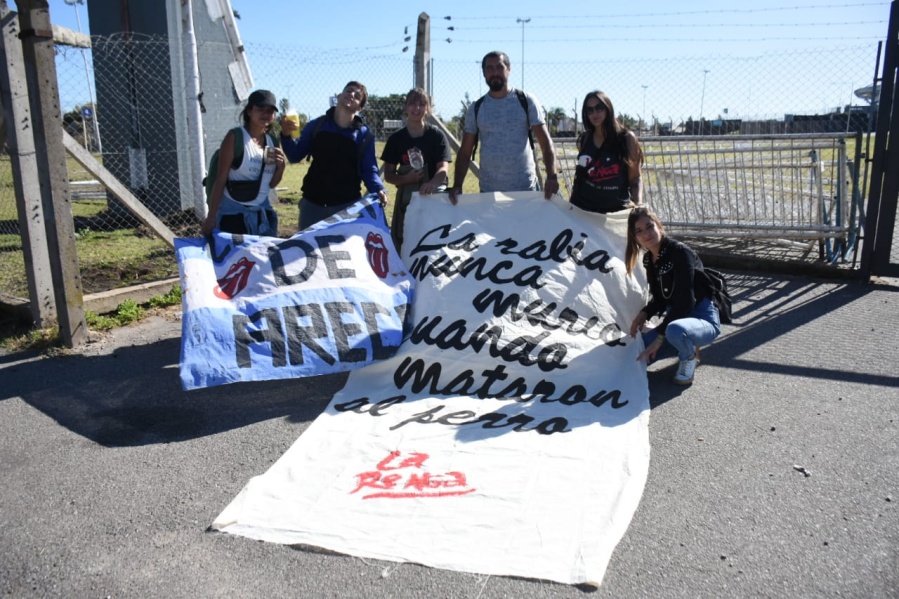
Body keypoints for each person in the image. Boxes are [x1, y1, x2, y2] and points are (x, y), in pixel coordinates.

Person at [626, 206, 721, 386]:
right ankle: (682, 342)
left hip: (701, 320)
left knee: (675, 330)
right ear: (635, 238)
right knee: (635, 357)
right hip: (674, 322)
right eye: (639, 231)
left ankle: (689, 357)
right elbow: (661, 298)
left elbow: (686, 302)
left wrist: (660, 338)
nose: (647, 233)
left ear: (659, 226)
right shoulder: (649, 260)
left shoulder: (680, 252)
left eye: (649, 226)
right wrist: (644, 313)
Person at [448, 51, 559, 204]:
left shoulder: (526, 101)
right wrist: (457, 185)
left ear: (509, 69)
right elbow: (465, 151)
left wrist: (552, 177)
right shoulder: (476, 108)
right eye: (490, 68)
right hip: (489, 193)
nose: (495, 73)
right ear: (484, 73)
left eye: (499, 67)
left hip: (525, 190)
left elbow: (546, 143)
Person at [281, 81, 387, 230]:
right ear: (339, 95)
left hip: (346, 206)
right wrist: (286, 136)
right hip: (312, 203)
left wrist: (378, 189)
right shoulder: (317, 125)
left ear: (359, 107)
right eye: (349, 91)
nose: (351, 95)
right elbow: (295, 155)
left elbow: (369, 169)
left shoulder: (364, 135)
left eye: (357, 96)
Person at [202, 89, 285, 236]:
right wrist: (211, 217)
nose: (265, 114)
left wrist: (281, 168)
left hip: (262, 212)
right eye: (260, 109)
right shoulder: (235, 137)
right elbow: (220, 179)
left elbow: (271, 184)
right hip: (234, 213)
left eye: (270, 111)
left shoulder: (272, 141)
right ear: (249, 111)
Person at [380, 87, 452, 252]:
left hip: (433, 199)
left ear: (427, 109)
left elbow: (443, 168)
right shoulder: (396, 139)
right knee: (404, 242)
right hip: (407, 200)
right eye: (412, 103)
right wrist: (406, 179)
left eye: (422, 104)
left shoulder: (436, 136)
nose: (416, 108)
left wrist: (433, 183)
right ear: (406, 107)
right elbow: (389, 175)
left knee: (434, 243)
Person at [569, 90, 644, 214]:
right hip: (584, 210)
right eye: (590, 110)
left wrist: (638, 205)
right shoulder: (585, 139)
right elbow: (581, 177)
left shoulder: (626, 139)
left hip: (616, 211)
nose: (595, 113)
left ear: (608, 108)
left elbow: (635, 178)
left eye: (599, 108)